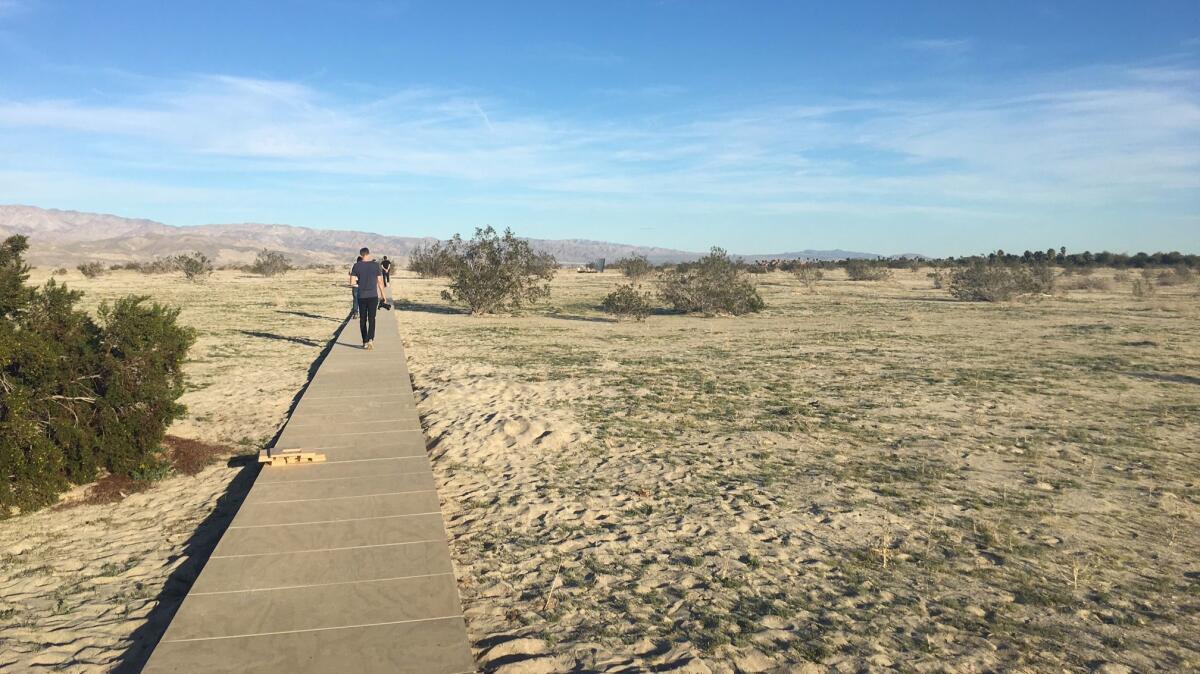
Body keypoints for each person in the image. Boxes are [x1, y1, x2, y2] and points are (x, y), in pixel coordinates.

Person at [349, 248, 386, 350]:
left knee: (363, 319)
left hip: (362, 296)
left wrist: (359, 284)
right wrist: (383, 296)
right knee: (372, 319)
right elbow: (380, 282)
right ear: (369, 254)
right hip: (373, 296)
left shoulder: (356, 266)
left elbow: (351, 282)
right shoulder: (376, 265)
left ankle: (364, 341)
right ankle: (371, 340)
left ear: (361, 255)